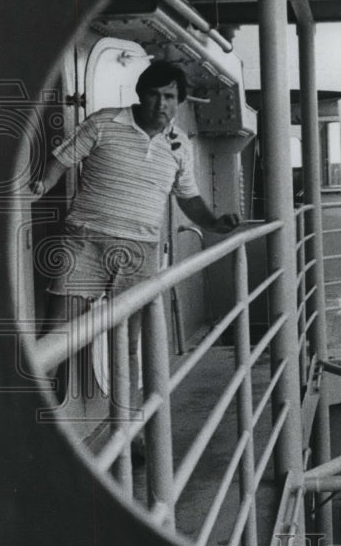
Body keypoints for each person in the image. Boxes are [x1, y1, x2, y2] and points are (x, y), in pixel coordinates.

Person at [30, 60, 240, 418]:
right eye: (155, 95)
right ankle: (36, 426)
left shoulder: (180, 147)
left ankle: (125, 426)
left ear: (180, 101)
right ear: (140, 95)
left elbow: (187, 196)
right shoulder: (103, 122)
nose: (162, 105)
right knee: (57, 335)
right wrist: (40, 186)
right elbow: (62, 160)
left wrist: (214, 222)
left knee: (126, 344)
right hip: (86, 240)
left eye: (170, 97)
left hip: (140, 251)